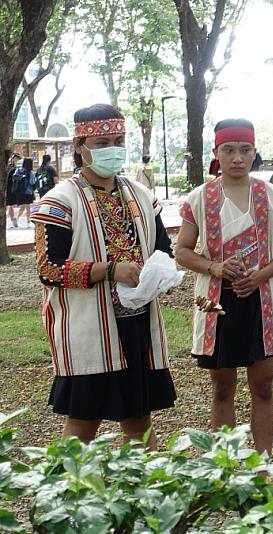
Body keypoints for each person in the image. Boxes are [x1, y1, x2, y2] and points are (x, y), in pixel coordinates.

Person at [30, 103, 176, 447]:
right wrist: (110, 270)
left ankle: (145, 497)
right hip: (88, 327)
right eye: (102, 142)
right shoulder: (59, 202)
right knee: (83, 423)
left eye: (118, 139)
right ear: (80, 146)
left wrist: (161, 276)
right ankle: (68, 497)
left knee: (139, 420)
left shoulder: (141, 196)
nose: (113, 148)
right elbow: (49, 269)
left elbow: (163, 251)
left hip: (137, 323)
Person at [175, 119, 273, 454]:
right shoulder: (199, 199)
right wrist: (215, 267)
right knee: (222, 389)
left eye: (245, 150)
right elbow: (182, 250)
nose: (237, 158)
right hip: (217, 304)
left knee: (263, 387)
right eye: (228, 150)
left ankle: (263, 461)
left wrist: (260, 275)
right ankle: (226, 465)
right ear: (216, 152)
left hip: (263, 302)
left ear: (254, 152)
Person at [9, 158, 37, 228]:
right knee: (28, 207)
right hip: (28, 192)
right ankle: (28, 222)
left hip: (19, 192)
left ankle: (17, 219)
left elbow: (14, 178)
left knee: (22, 207)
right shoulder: (30, 172)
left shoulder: (18, 170)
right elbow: (32, 182)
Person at [5, 152, 21, 228]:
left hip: (11, 187)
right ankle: (12, 220)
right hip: (8, 187)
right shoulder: (10, 166)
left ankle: (12, 219)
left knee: (9, 204)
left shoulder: (13, 166)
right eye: (16, 158)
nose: (17, 160)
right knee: (8, 204)